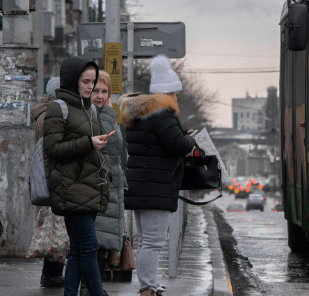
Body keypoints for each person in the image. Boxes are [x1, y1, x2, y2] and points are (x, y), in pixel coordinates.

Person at [119, 55, 197, 296]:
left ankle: (149, 283)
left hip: (142, 185)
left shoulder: (140, 113)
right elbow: (177, 146)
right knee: (153, 242)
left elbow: (157, 142)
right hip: (155, 187)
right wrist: (190, 139)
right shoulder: (162, 113)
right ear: (165, 94)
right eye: (174, 93)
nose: (176, 98)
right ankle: (147, 287)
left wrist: (181, 133)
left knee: (146, 240)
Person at [43, 57, 112, 296]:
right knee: (90, 247)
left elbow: (93, 146)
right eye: (86, 81)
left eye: (93, 81)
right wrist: (87, 143)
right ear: (73, 80)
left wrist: (101, 153)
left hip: (90, 188)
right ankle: (98, 293)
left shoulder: (89, 108)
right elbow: (53, 150)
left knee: (79, 249)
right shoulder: (58, 108)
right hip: (70, 188)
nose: (90, 87)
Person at [28, 77, 70, 288]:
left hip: (48, 177)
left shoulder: (43, 113)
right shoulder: (48, 116)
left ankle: (52, 273)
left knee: (54, 228)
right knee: (55, 228)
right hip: (50, 177)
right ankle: (51, 274)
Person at [91, 71, 128, 289]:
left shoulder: (108, 114)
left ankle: (95, 288)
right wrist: (107, 112)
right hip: (97, 185)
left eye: (104, 91)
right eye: (96, 90)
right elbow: (103, 136)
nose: (100, 95)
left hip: (112, 187)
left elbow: (118, 151)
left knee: (104, 244)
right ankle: (91, 289)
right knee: (94, 242)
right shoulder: (98, 115)